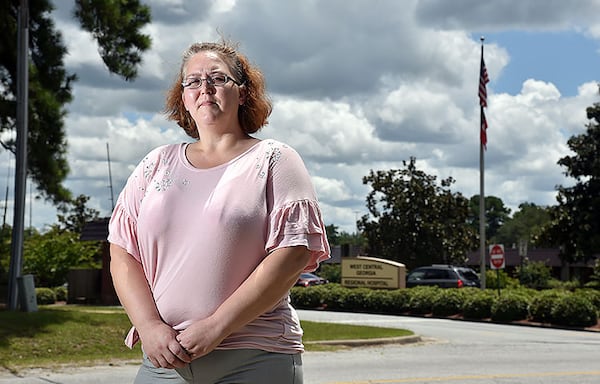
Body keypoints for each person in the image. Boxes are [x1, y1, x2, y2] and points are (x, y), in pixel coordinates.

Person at [107, 39, 330, 384]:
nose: (205, 88)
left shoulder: (275, 159)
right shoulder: (155, 164)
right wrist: (149, 327)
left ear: (242, 93)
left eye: (218, 78)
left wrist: (215, 327)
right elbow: (122, 251)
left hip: (256, 357)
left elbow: (292, 253)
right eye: (193, 81)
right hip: (165, 361)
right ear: (183, 97)